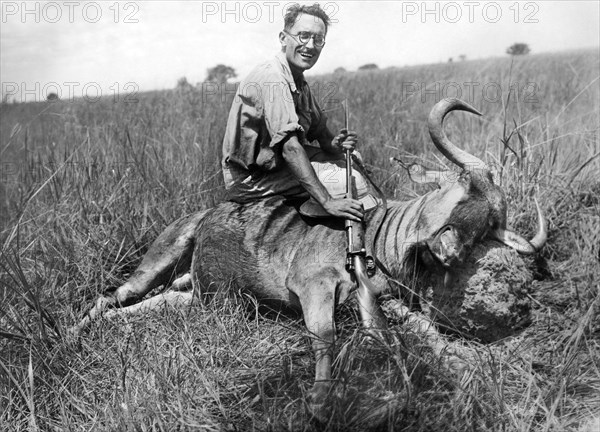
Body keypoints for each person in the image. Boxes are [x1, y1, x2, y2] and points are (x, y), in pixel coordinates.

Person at [221, 3, 377, 222]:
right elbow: (290, 149)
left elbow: (322, 135)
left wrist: (337, 145)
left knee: (355, 160)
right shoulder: (272, 78)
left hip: (275, 165)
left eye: (318, 39)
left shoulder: (298, 81)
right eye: (303, 36)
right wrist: (327, 202)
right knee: (344, 181)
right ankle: (319, 217)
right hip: (252, 177)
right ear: (283, 38)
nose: (310, 45)